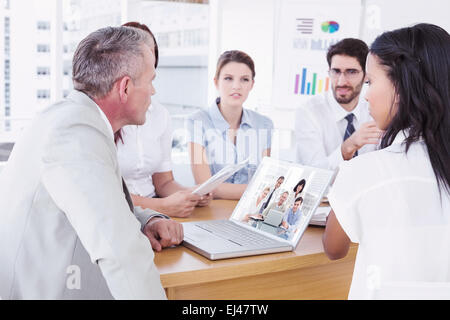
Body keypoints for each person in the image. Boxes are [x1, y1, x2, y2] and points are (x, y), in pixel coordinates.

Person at [0, 26, 183, 300]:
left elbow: (95, 203)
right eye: (150, 80)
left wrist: (145, 219)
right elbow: (120, 252)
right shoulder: (75, 133)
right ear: (125, 87)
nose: (153, 91)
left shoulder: (70, 118)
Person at [322, 23, 450, 299]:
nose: (365, 93)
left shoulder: (364, 171)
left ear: (402, 86)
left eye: (369, 81)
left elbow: (334, 248)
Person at [116, 22, 211, 218]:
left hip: (154, 213)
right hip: (121, 214)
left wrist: (189, 194)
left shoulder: (160, 115)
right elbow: (106, 196)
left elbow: (164, 182)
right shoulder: (107, 117)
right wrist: (162, 206)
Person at [187, 50, 274, 200]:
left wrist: (262, 190)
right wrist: (258, 191)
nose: (236, 86)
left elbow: (265, 180)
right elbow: (205, 187)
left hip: (248, 213)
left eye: (244, 80)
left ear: (252, 84)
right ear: (216, 82)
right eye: (228, 78)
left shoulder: (264, 124)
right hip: (212, 212)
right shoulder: (197, 122)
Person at [295, 38, 384, 170]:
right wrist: (348, 147)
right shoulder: (308, 112)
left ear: (366, 75)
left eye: (351, 72)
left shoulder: (377, 108)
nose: (341, 81)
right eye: (336, 71)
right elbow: (313, 173)